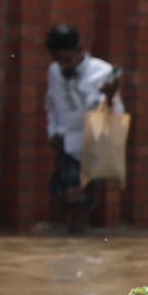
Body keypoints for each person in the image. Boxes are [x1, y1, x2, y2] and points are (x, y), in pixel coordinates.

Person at [42, 23, 119, 233]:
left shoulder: (104, 72)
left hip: (90, 150)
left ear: (79, 50)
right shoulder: (55, 72)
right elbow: (51, 104)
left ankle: (79, 259)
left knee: (79, 210)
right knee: (56, 206)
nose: (63, 66)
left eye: (67, 60)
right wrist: (53, 132)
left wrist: (109, 98)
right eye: (58, 61)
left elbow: (114, 118)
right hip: (65, 147)